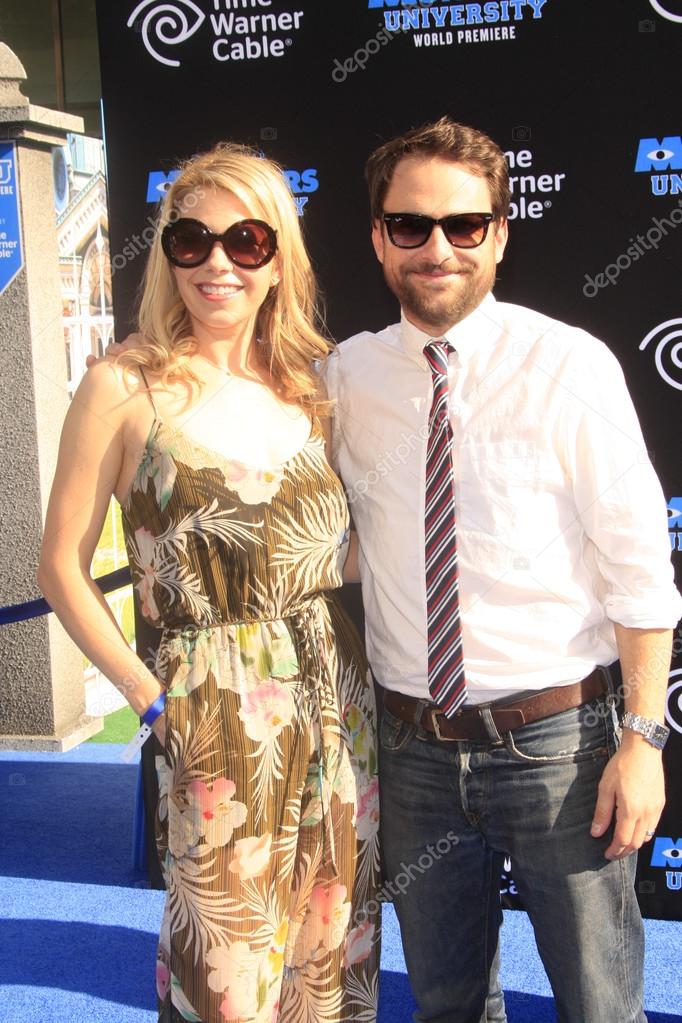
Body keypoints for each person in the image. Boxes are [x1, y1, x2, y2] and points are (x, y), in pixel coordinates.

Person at [326, 116, 682, 1023]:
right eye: (410, 225)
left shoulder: (569, 365)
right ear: (377, 236)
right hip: (411, 750)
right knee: (445, 1005)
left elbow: (640, 564)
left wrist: (642, 740)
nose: (437, 247)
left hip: (559, 748)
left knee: (601, 1005)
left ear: (500, 233)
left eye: (464, 225)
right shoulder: (345, 378)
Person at [38, 143, 380, 1023]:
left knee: (330, 948)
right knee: (221, 971)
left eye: (245, 242)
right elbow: (61, 567)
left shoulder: (314, 384)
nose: (216, 263)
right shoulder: (122, 385)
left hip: (338, 703)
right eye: (190, 241)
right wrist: (149, 699)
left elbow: (339, 549)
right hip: (211, 712)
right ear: (166, 254)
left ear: (279, 260)